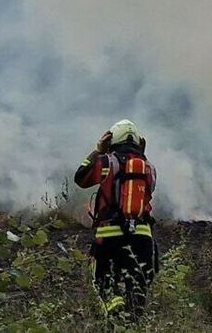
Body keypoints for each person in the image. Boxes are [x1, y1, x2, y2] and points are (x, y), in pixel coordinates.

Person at [75, 119, 158, 320]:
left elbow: (81, 178)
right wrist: (142, 153)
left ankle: (114, 316)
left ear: (112, 140)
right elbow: (146, 189)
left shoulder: (106, 162)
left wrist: (97, 151)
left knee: (105, 284)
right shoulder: (149, 168)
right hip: (142, 237)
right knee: (137, 288)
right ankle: (133, 321)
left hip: (109, 237)